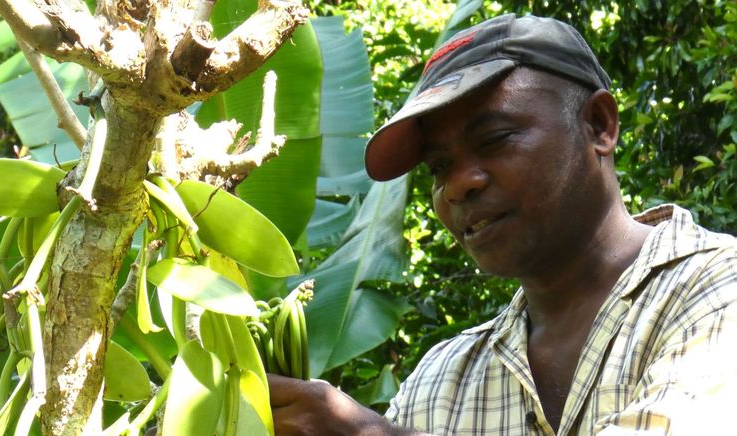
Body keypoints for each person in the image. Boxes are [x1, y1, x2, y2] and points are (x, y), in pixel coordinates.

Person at [269, 13, 737, 435]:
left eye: (495, 139)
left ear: (599, 125)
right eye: (438, 168)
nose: (458, 186)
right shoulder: (439, 383)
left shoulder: (719, 290)